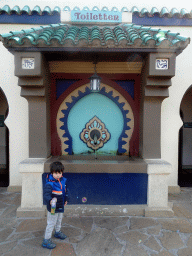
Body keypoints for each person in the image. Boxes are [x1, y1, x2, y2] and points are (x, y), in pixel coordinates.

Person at [42, 161, 69, 249]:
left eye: (60, 173)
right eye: (56, 173)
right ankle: (46, 240)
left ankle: (57, 232)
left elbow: (66, 191)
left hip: (61, 205)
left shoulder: (63, 180)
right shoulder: (50, 183)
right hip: (53, 207)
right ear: (52, 172)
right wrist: (49, 200)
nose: (58, 175)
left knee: (59, 220)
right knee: (51, 223)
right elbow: (46, 194)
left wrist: (66, 199)